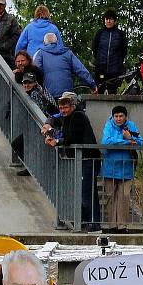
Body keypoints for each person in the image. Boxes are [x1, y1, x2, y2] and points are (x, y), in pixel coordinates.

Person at [42, 92, 101, 231]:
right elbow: (60, 125)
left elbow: (72, 138)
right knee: (84, 191)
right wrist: (50, 127)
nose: (63, 111)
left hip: (87, 159)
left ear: (73, 106)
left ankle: (94, 222)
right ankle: (86, 221)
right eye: (61, 108)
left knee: (87, 192)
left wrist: (57, 141)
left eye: (66, 107)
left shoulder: (78, 116)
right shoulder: (68, 117)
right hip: (82, 159)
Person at [100, 105, 143, 232]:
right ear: (113, 117)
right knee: (110, 196)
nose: (118, 118)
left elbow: (140, 142)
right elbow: (106, 142)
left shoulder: (131, 125)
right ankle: (112, 225)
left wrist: (130, 139)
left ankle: (122, 225)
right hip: (110, 168)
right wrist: (127, 141)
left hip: (126, 168)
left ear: (125, 117)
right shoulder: (109, 125)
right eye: (116, 116)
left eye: (121, 116)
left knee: (124, 197)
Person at [33, 32, 96, 100]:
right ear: (57, 41)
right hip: (67, 94)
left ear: (44, 43)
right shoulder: (67, 52)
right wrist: (92, 84)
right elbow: (80, 70)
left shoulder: (40, 54)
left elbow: (36, 72)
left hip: (49, 94)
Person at [91, 9, 128, 94]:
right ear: (104, 20)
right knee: (99, 91)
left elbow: (124, 50)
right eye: (107, 19)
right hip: (101, 69)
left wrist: (118, 62)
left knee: (112, 92)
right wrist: (99, 60)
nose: (108, 21)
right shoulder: (100, 33)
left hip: (114, 70)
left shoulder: (120, 34)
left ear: (115, 21)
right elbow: (94, 48)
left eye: (111, 19)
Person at [0, 0, 21, 68]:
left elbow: (16, 35)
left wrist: (5, 46)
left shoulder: (11, 19)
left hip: (7, 57)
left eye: (1, 4)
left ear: (5, 5)